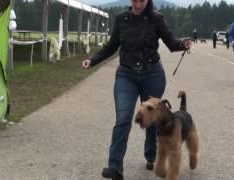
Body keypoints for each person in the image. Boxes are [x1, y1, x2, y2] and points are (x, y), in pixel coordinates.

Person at [82, 0, 192, 179]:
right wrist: (92, 60)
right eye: (135, 0)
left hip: (153, 75)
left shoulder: (157, 18)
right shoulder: (121, 19)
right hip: (126, 75)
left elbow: (172, 43)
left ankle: (151, 156)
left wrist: (183, 44)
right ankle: (115, 166)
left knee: (152, 117)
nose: (138, 4)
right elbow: (111, 46)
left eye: (142, 0)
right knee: (124, 118)